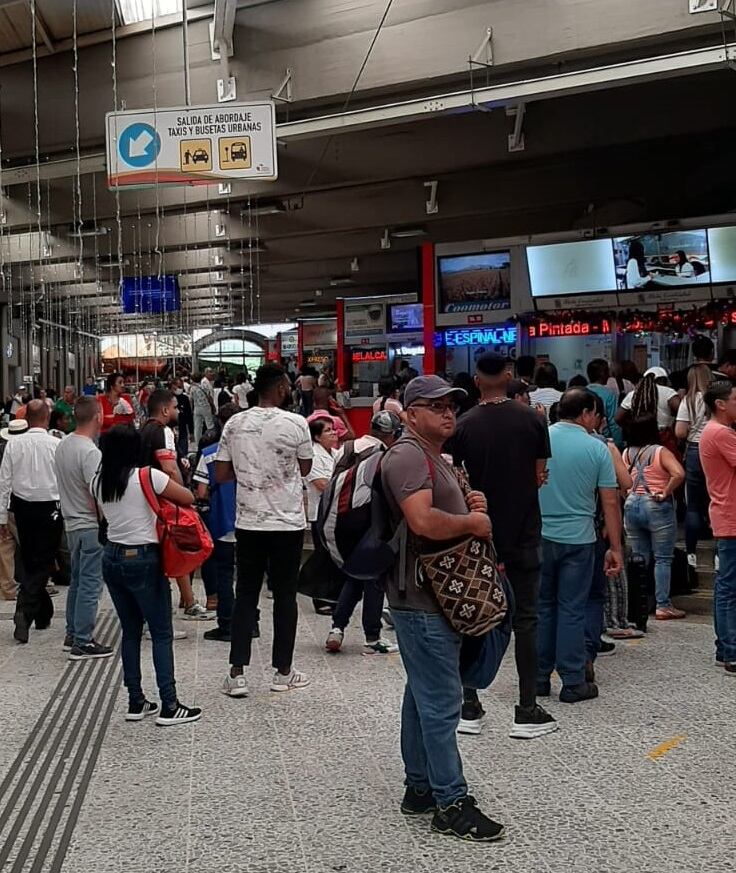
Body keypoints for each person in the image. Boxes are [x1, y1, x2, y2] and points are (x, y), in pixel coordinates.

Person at [381, 375, 504, 842]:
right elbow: (422, 521)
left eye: (452, 405)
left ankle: (418, 788)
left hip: (434, 596)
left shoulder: (434, 456)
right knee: (441, 704)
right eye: (434, 406)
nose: (447, 412)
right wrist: (472, 521)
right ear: (410, 414)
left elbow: (439, 514)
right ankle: (451, 802)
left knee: (422, 693)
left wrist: (472, 504)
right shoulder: (409, 455)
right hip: (423, 598)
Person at [452, 353, 556, 740]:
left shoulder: (463, 425)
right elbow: (539, 473)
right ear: (510, 378)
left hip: (479, 535)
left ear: (477, 381)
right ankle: (526, 708)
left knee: (474, 615)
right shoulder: (533, 419)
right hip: (525, 533)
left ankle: (470, 704)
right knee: (527, 619)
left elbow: (457, 479)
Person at [216, 364, 313, 697]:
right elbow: (305, 467)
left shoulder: (234, 423)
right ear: (282, 388)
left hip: (249, 522)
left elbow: (222, 473)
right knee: (285, 596)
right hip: (287, 523)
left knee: (246, 594)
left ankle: (237, 673)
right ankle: (282, 672)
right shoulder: (297, 423)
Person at [94, 425, 201, 725]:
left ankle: (135, 701)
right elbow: (187, 498)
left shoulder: (97, 481)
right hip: (143, 557)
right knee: (161, 632)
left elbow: (102, 517)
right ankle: (170, 704)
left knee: (130, 631)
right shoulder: (146, 476)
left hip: (112, 557)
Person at [537, 389, 623, 703]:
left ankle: (538, 679)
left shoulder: (539, 440)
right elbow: (610, 502)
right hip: (580, 538)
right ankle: (573, 682)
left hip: (541, 536)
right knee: (572, 609)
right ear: (586, 413)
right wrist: (616, 547)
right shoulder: (596, 447)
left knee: (543, 607)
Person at [325, 411, 402, 656]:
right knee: (374, 577)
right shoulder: (385, 455)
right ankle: (372, 637)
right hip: (370, 524)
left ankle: (337, 628)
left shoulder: (348, 447)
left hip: (340, 523)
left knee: (354, 575)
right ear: (391, 434)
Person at [139, 388, 209, 621]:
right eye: (176, 407)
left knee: (169, 548)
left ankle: (187, 598)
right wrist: (183, 494)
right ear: (165, 410)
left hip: (147, 498)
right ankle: (186, 602)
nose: (178, 411)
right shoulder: (163, 431)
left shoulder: (143, 431)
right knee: (179, 546)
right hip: (165, 498)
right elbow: (169, 468)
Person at [55, 396, 113, 660]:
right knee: (90, 584)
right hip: (90, 525)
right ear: (98, 416)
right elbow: (97, 493)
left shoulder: (64, 444)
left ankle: (72, 632)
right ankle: (83, 640)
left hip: (71, 523)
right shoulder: (90, 452)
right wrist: (107, 523)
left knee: (77, 583)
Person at [0, 400, 63, 644]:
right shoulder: (56, 444)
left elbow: (4, 482)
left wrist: (2, 518)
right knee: (44, 561)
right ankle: (23, 611)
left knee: (31, 558)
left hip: (23, 508)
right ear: (47, 419)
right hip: (51, 507)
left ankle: (42, 613)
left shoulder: (14, 446)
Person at [622, 415, 686, 621]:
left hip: (632, 504)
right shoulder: (660, 451)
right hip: (656, 504)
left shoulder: (626, 453)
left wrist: (629, 494)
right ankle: (663, 605)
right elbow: (679, 473)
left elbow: (620, 478)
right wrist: (666, 492)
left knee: (639, 559)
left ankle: (638, 603)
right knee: (663, 559)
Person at [698, 381, 736, 674]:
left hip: (725, 514)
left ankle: (726, 646)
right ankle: (730, 649)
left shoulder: (712, 431)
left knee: (726, 586)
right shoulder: (721, 433)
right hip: (731, 516)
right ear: (721, 404)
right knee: (728, 588)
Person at [194, 403, 239, 642]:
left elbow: (202, 492)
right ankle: (250, 623)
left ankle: (226, 625)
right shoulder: (250, 450)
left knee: (224, 575)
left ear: (220, 422)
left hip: (222, 521)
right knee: (248, 577)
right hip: (251, 520)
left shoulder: (210, 452)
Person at [675, 362, 713, 583]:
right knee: (717, 501)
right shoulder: (717, 400)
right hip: (716, 450)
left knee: (694, 506)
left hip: (695, 451)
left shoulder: (688, 401)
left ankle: (691, 555)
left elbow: (680, 431)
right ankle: (718, 555)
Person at [616, 367, 680, 450]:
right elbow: (681, 411)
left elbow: (618, 418)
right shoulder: (668, 392)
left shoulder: (634, 394)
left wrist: (631, 426)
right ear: (662, 380)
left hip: (638, 437)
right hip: (663, 437)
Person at [0, 419, 28, 602]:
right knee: (30, 546)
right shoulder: (28, 450)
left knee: (5, 549)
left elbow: (4, 485)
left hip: (7, 505)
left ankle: (8, 589)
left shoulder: (4, 451)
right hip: (23, 504)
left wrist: (1, 516)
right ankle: (39, 583)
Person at [587, 359, 623, 449]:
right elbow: (613, 423)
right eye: (607, 371)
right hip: (603, 439)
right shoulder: (609, 395)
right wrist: (618, 444)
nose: (609, 375)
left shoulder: (581, 392)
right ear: (602, 374)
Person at [190, 373, 215, 445]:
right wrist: (213, 405)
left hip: (196, 408)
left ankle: (198, 443)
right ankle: (211, 440)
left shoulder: (192, 388)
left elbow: (191, 400)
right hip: (206, 407)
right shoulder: (204, 386)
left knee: (197, 426)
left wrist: (192, 409)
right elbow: (209, 397)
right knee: (209, 425)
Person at [172, 378, 193, 456]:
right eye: (178, 386)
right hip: (172, 428)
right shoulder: (168, 398)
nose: (180, 389)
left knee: (183, 451)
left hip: (183, 427)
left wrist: (191, 432)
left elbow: (189, 415)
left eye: (181, 387)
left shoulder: (185, 398)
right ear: (173, 386)